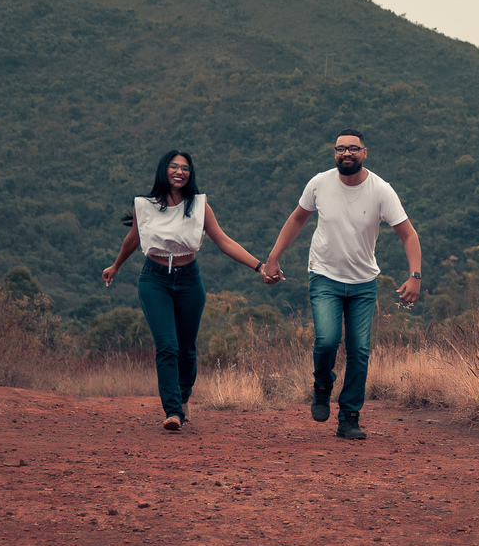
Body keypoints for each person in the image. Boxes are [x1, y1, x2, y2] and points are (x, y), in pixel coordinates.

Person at [261, 129, 422, 440]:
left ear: (364, 152)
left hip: (363, 283)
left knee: (359, 350)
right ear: (334, 153)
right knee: (326, 340)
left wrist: (414, 275)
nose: (346, 154)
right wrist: (273, 257)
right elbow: (297, 219)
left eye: (353, 149)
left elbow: (409, 234)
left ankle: (349, 417)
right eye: (340, 149)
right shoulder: (319, 183)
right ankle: (322, 386)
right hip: (324, 276)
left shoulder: (381, 190)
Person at [103, 151, 266, 431]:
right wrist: (116, 266)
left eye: (185, 168)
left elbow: (224, 242)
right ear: (163, 170)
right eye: (174, 167)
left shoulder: (200, 206)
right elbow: (132, 239)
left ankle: (182, 396)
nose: (179, 172)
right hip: (154, 279)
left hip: (190, 279)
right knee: (168, 346)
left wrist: (259, 266)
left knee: (187, 350)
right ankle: (173, 410)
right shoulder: (143, 206)